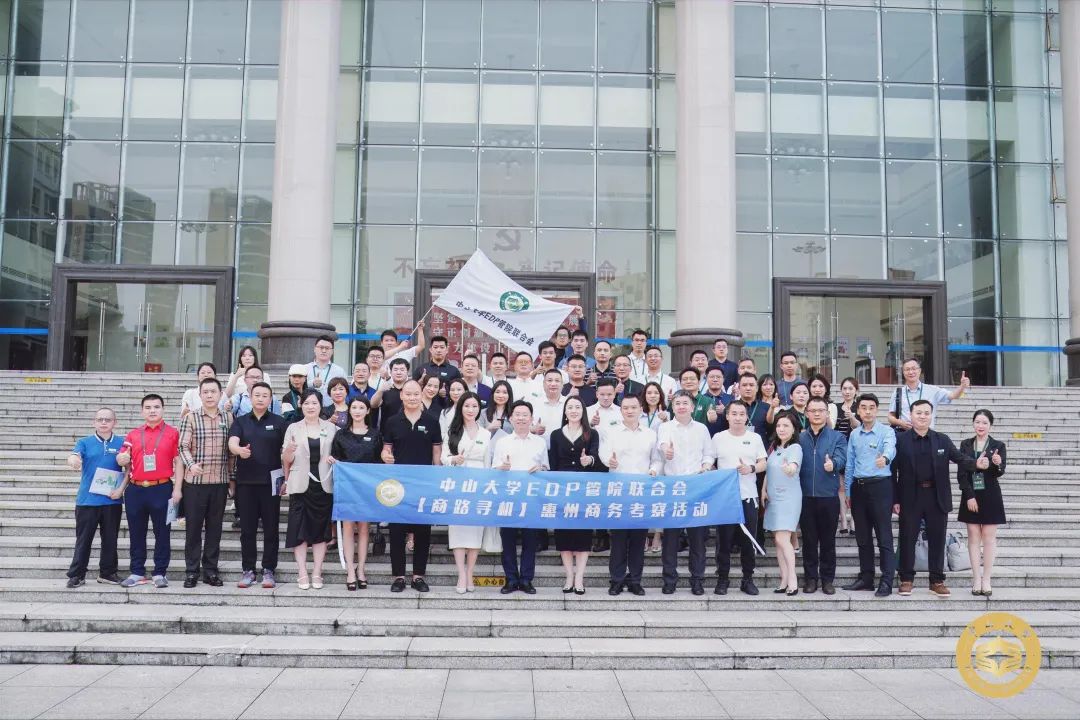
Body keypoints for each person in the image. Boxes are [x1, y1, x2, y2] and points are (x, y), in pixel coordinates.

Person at [893, 399, 975, 598]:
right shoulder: (900, 440)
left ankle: (936, 581)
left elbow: (960, 458)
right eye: (918, 413)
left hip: (936, 496)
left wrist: (977, 463)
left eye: (926, 413)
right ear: (911, 415)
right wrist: (895, 499)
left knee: (938, 539)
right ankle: (906, 579)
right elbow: (892, 471)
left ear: (932, 415)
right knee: (907, 537)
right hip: (909, 496)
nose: (922, 416)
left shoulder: (942, 440)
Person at [381, 379, 442, 592]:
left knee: (422, 531)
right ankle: (398, 576)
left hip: (423, 484)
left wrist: (437, 478)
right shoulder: (392, 421)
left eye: (416, 394)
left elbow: (436, 453)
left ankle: (418, 576)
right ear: (401, 395)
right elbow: (386, 449)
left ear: (421, 394)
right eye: (408, 394)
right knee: (396, 531)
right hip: (397, 485)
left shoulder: (432, 421)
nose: (412, 398)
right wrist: (385, 456)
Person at [116, 394, 182, 588]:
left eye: (156, 407)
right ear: (142, 411)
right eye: (148, 407)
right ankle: (137, 572)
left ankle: (160, 572)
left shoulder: (173, 433)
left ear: (163, 409)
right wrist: (121, 458)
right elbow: (122, 456)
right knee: (136, 532)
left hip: (162, 488)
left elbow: (179, 462)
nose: (152, 411)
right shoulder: (133, 434)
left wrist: (178, 489)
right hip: (135, 490)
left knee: (163, 533)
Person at [600, 394, 661, 595]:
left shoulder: (650, 434)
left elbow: (657, 459)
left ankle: (635, 580)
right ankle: (616, 580)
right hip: (618, 493)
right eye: (625, 407)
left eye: (633, 407)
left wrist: (654, 470)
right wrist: (609, 461)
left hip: (641, 493)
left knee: (638, 540)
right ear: (621, 410)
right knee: (618, 540)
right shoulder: (612, 432)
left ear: (641, 409)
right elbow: (604, 453)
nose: (629, 411)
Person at [229, 381, 287, 589]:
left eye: (265, 395)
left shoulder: (280, 422)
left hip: (272, 483)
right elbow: (232, 442)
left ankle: (269, 570)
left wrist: (287, 479)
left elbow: (287, 451)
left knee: (271, 529)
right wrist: (239, 450)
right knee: (247, 530)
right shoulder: (241, 421)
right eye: (257, 395)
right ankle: (248, 570)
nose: (261, 398)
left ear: (270, 399)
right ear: (250, 398)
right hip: (246, 483)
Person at [177, 377, 235, 588]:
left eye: (213, 392)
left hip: (219, 481)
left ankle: (210, 571)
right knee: (193, 529)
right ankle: (191, 572)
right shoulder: (190, 418)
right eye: (205, 392)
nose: (209, 395)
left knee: (214, 529)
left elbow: (231, 453)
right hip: (195, 483)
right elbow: (182, 447)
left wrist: (231, 479)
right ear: (200, 395)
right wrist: (191, 464)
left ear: (220, 394)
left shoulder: (228, 418)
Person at [657, 391, 715, 595]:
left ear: (692, 407)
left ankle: (697, 580)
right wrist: (667, 451)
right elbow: (663, 445)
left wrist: (706, 466)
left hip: (696, 488)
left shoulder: (701, 429)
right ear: (672, 407)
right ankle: (669, 580)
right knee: (670, 539)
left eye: (685, 403)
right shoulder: (665, 427)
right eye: (677, 403)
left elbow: (709, 454)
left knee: (697, 539)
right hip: (673, 488)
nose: (681, 406)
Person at [282, 390, 338, 590]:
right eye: (306, 403)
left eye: (314, 403)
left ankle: (317, 572)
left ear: (321, 406)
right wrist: (289, 451)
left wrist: (334, 459)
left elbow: (338, 453)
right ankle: (302, 572)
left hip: (323, 484)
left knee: (320, 530)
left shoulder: (331, 428)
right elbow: (286, 459)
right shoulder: (293, 428)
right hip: (300, 484)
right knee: (299, 530)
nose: (310, 406)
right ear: (301, 405)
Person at [842, 392, 897, 597]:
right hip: (858, 488)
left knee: (884, 536)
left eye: (871, 408)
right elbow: (850, 464)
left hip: (880, 487)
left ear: (877, 410)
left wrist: (885, 458)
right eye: (863, 408)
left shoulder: (886, 431)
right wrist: (848, 491)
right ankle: (866, 578)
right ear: (857, 410)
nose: (867, 411)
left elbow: (890, 449)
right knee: (863, 537)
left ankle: (887, 580)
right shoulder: (854, 434)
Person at [712, 401, 767, 595]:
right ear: (727, 416)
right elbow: (710, 462)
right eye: (733, 413)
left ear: (746, 417)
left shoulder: (754, 438)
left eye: (741, 414)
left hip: (748, 496)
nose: (737, 417)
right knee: (724, 541)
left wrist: (750, 468)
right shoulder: (718, 438)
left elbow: (763, 463)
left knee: (748, 540)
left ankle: (747, 579)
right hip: (725, 498)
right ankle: (722, 579)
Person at [65, 408, 125, 588]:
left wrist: (121, 489)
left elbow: (129, 467)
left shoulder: (122, 443)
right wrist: (73, 461)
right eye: (100, 419)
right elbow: (74, 456)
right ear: (94, 422)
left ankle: (107, 573)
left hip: (111, 500)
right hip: (87, 500)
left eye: (108, 419)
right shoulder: (84, 442)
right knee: (83, 539)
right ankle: (77, 574)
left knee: (110, 539)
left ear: (114, 422)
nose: (103, 422)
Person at [547, 396, 601, 595]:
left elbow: (595, 455)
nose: (574, 410)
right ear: (565, 411)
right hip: (562, 491)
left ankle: (580, 577)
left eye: (578, 407)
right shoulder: (556, 434)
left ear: (583, 411)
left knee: (582, 535)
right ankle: (569, 575)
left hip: (583, 491)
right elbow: (553, 464)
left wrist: (589, 460)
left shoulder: (591, 433)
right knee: (564, 535)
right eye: (570, 407)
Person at [495, 400, 549, 594]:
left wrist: (541, 468)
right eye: (517, 414)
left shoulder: (540, 442)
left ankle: (526, 579)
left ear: (531, 418)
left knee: (530, 541)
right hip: (508, 498)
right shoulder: (502, 442)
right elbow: (493, 469)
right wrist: (502, 468)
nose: (521, 418)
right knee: (507, 540)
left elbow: (547, 468)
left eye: (525, 415)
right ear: (510, 418)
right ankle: (510, 579)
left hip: (532, 498)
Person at [442, 391, 493, 594]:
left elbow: (488, 463)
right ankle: (461, 574)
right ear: (460, 408)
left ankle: (470, 572)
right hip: (457, 483)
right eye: (467, 406)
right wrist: (453, 459)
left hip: (478, 485)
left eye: (474, 406)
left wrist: (487, 488)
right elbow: (444, 457)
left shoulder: (486, 433)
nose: (471, 410)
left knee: (475, 531)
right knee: (458, 530)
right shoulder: (452, 430)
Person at [329, 395, 382, 591]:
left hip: (367, 488)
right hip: (347, 487)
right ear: (349, 410)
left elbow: (379, 461)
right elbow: (335, 457)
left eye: (361, 407)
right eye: (354, 407)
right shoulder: (341, 435)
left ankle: (361, 569)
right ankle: (350, 570)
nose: (357, 411)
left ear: (368, 411)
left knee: (364, 528)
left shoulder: (375, 434)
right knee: (348, 527)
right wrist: (333, 461)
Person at [797, 396, 847, 595]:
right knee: (809, 541)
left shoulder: (837, 437)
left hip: (828, 497)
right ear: (807, 413)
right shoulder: (799, 438)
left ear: (827, 413)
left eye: (821, 410)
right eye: (813, 410)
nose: (817, 414)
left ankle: (827, 580)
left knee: (828, 542)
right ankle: (810, 579)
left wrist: (833, 463)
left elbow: (842, 457)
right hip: (805, 497)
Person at [957, 409, 1007, 597]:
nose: (980, 426)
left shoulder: (998, 445)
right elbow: (961, 473)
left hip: (991, 495)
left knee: (989, 538)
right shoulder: (965, 444)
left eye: (985, 423)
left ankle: (986, 579)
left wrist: (997, 463)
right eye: (977, 422)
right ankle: (976, 579)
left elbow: (999, 472)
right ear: (973, 423)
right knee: (973, 537)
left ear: (990, 426)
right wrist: (969, 496)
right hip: (971, 494)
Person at [763, 412, 803, 595]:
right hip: (773, 498)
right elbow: (768, 471)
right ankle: (784, 580)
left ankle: (793, 579)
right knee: (778, 541)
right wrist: (763, 490)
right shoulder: (774, 447)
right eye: (779, 425)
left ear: (794, 429)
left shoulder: (795, 448)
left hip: (788, 498)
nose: (781, 429)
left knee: (782, 539)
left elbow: (793, 467)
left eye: (786, 425)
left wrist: (789, 469)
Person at [887, 358, 970, 431]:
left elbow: (952, 395)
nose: (911, 372)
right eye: (907, 369)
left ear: (919, 371)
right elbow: (890, 417)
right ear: (903, 372)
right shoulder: (898, 392)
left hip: (926, 435)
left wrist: (962, 386)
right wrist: (900, 423)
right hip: (905, 434)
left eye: (913, 368)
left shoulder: (932, 390)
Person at [834, 377, 859, 536]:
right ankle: (843, 520)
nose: (847, 391)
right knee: (841, 486)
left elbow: (859, 427)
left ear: (856, 390)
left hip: (855, 450)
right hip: (839, 450)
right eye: (845, 388)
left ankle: (854, 521)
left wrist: (852, 417)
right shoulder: (835, 407)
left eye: (851, 388)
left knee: (854, 486)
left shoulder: (860, 406)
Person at [306, 335, 348, 407]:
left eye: (327, 348)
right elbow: (298, 387)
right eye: (321, 347)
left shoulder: (340, 371)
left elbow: (345, 392)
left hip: (332, 410)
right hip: (310, 409)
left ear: (332, 351)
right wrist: (312, 383)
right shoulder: (305, 369)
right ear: (314, 349)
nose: (324, 351)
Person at [532, 368, 567, 443]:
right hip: (540, 447)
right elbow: (524, 427)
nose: (553, 384)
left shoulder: (568, 403)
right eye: (549, 380)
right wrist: (533, 429)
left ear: (562, 384)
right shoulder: (534, 403)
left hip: (563, 448)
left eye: (557, 381)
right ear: (543, 384)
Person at [700, 366, 733, 435]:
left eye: (718, 377)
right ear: (706, 379)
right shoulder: (700, 399)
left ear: (723, 379)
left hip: (726, 438)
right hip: (705, 438)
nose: (715, 380)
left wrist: (725, 411)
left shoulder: (731, 399)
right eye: (712, 377)